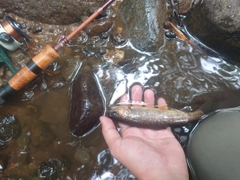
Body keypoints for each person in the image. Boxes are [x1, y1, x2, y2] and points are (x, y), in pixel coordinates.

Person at [100, 85, 189, 180]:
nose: (113, 111)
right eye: (115, 113)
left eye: (114, 113)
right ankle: (198, 114)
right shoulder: (127, 111)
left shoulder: (128, 111)